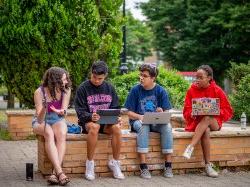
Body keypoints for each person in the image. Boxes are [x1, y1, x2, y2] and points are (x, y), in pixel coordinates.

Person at [74, 60, 125, 181]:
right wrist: (90, 116)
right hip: (89, 123)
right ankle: (90, 164)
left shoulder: (110, 88)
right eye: (94, 77)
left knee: (117, 128)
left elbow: (116, 107)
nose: (96, 80)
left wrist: (117, 118)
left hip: (107, 123)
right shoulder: (83, 88)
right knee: (94, 127)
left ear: (105, 76)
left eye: (100, 78)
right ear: (91, 73)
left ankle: (115, 163)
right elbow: (80, 112)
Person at [182, 65, 233, 178]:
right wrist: (193, 113)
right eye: (197, 77)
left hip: (214, 122)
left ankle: (191, 146)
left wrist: (215, 110)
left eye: (201, 77)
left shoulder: (217, 90)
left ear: (209, 77)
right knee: (205, 130)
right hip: (198, 123)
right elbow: (186, 111)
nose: (197, 80)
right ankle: (208, 166)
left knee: (208, 118)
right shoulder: (191, 90)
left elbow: (228, 111)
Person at [124, 63, 173, 179]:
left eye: (144, 76)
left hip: (155, 122)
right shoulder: (135, 90)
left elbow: (167, 113)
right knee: (143, 126)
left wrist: (161, 112)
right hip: (138, 121)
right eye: (140, 75)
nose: (141, 78)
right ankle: (143, 166)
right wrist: (140, 117)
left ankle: (168, 165)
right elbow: (129, 113)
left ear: (152, 78)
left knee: (167, 126)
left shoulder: (161, 91)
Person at [32, 67, 71, 185]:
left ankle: (54, 174)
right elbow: (39, 119)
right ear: (55, 80)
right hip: (41, 120)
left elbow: (64, 111)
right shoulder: (39, 92)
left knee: (62, 134)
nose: (66, 82)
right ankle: (60, 172)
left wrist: (61, 111)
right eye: (63, 80)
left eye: (66, 79)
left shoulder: (66, 89)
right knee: (48, 133)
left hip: (57, 118)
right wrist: (45, 106)